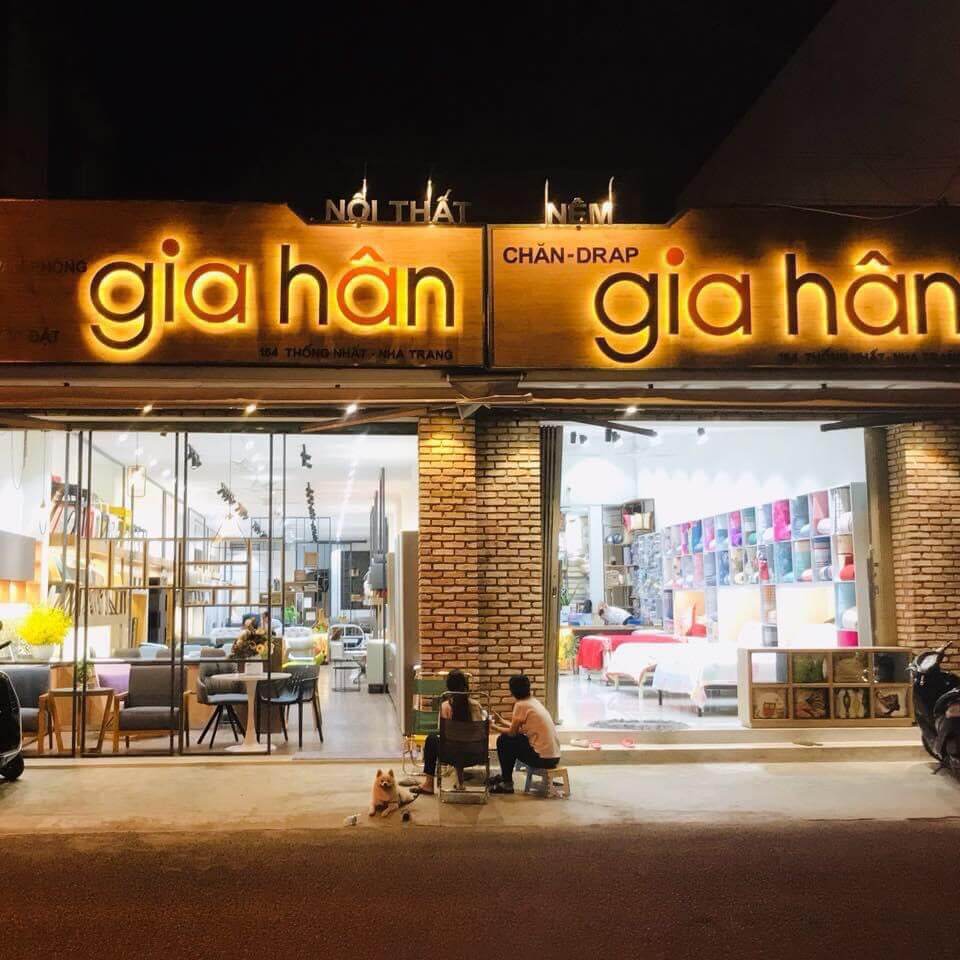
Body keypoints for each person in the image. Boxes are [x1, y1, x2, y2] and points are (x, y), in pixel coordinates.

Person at [415, 669, 485, 796]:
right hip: (474, 754)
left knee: (431, 739)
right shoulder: (476, 705)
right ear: (466, 685)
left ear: (448, 687)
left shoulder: (445, 706)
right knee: (461, 743)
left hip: (450, 755)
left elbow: (442, 732)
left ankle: (429, 784)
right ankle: (460, 783)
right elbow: (480, 732)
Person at [489, 674, 561, 794]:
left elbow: (512, 733)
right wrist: (501, 721)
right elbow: (520, 729)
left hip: (541, 759)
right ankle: (505, 776)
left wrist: (493, 727)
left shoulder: (521, 705)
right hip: (553, 757)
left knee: (504, 740)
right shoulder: (533, 701)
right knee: (511, 740)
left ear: (512, 691)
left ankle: (507, 783)